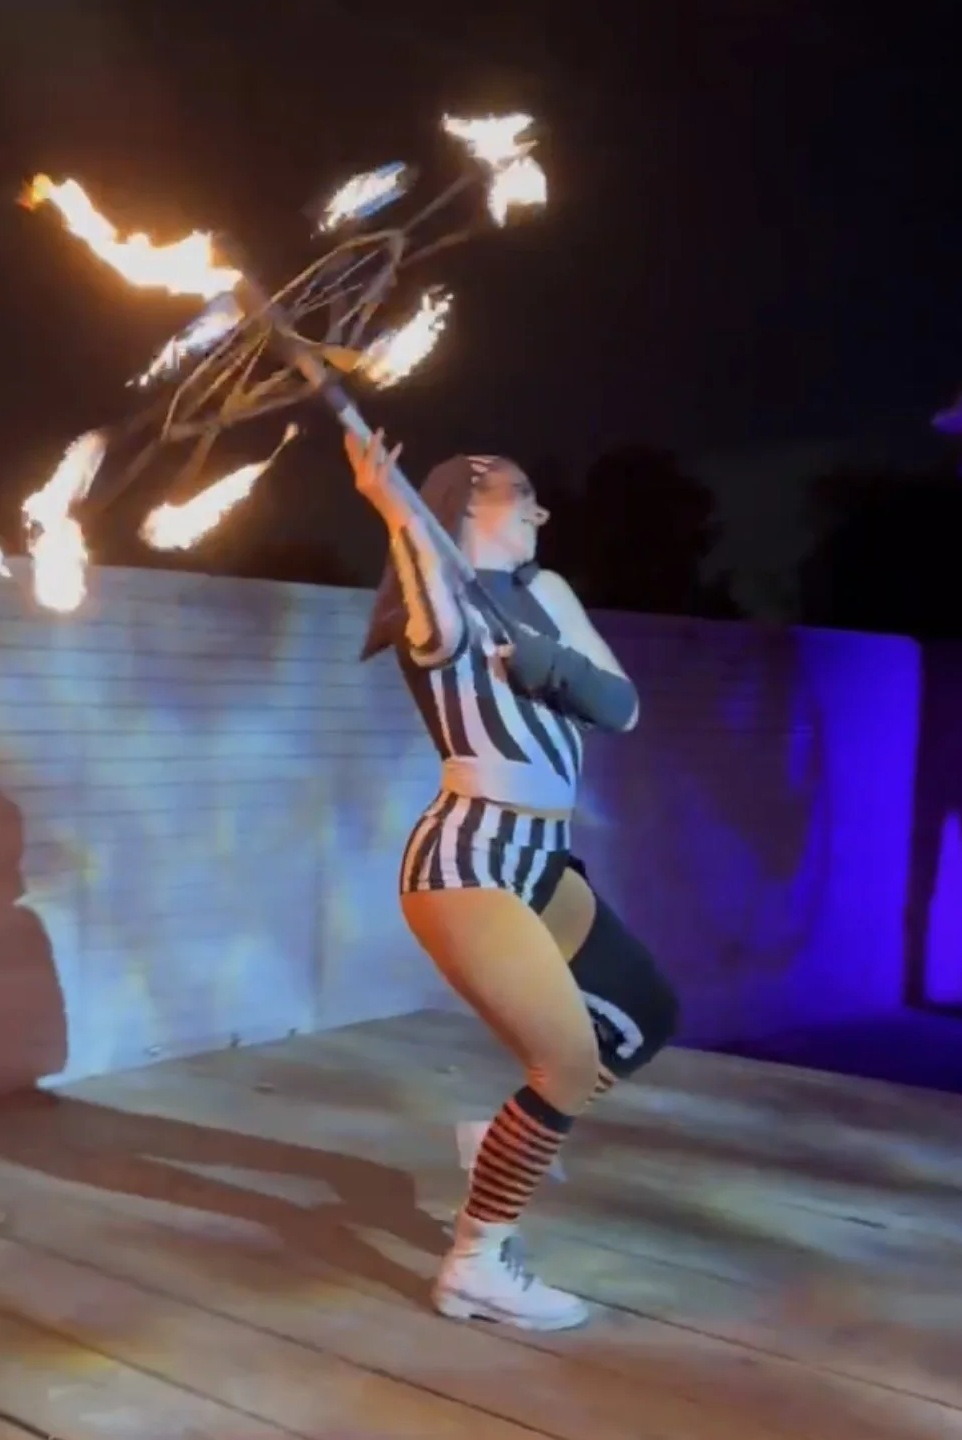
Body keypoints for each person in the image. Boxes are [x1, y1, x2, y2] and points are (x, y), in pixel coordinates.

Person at [346, 431, 680, 1331]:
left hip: (541, 856)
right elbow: (438, 621)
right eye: (520, 491)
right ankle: (475, 1264)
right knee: (563, 1064)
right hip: (469, 858)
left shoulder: (547, 593)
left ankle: (501, 1142)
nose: (541, 506)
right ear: (463, 504)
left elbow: (621, 707)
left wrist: (553, 664)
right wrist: (394, 508)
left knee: (643, 1015)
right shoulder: (440, 604)